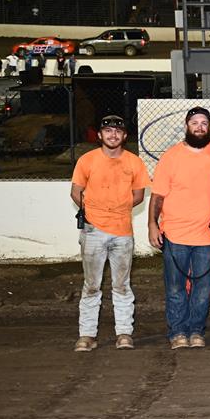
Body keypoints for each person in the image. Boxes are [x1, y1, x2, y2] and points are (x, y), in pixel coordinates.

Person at [148, 106, 210, 350]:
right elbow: (158, 195)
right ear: (186, 126)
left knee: (203, 289)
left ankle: (197, 331)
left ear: (209, 127)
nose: (199, 127)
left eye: (204, 123)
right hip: (175, 234)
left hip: (206, 235)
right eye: (194, 122)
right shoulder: (171, 156)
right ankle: (178, 332)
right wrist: (153, 225)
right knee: (175, 288)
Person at [70, 115, 151, 352]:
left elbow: (137, 196)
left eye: (117, 131)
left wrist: (118, 209)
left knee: (122, 285)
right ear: (100, 135)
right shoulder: (87, 160)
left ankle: (124, 333)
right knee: (92, 285)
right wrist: (94, 213)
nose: (113, 135)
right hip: (93, 231)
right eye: (108, 131)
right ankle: (87, 335)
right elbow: (76, 192)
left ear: (124, 136)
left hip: (122, 232)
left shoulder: (134, 162)